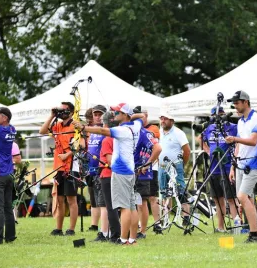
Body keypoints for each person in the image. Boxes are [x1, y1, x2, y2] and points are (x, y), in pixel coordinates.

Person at [73, 103, 144, 245]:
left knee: (124, 207)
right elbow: (141, 116)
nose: (114, 114)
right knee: (131, 206)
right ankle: (132, 238)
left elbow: (102, 130)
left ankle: (123, 240)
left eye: (117, 112)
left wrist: (83, 127)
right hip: (130, 171)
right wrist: (130, 115)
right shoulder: (135, 126)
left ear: (125, 115)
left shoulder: (122, 130)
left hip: (120, 172)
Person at [226, 90, 257, 243]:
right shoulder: (241, 121)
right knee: (244, 198)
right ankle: (253, 231)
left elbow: (253, 141)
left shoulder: (256, 119)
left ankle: (254, 234)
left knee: (242, 196)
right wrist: (232, 166)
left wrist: (235, 138)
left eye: (237, 103)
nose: (235, 106)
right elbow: (238, 144)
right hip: (240, 163)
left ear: (245, 102)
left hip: (254, 163)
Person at [40, 102, 79, 236]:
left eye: (64, 110)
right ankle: (59, 228)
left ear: (71, 111)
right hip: (59, 168)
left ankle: (71, 229)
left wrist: (67, 154)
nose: (61, 112)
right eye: (60, 110)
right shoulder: (57, 125)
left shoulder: (75, 125)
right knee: (60, 199)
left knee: (71, 199)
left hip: (71, 167)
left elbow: (81, 144)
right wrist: (52, 116)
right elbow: (42, 131)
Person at [201, 106, 238, 232]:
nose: (218, 117)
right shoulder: (209, 128)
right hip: (213, 168)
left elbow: (238, 142)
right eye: (215, 115)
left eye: (221, 114)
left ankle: (237, 225)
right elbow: (201, 140)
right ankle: (220, 227)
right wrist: (208, 152)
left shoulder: (232, 127)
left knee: (231, 198)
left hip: (227, 167)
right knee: (217, 198)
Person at [158, 113, 191, 224]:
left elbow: (187, 151)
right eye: (161, 118)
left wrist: (181, 165)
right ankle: (166, 218)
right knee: (164, 193)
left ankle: (186, 218)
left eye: (165, 119)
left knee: (180, 192)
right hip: (162, 167)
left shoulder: (178, 133)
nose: (163, 121)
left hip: (175, 167)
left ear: (172, 120)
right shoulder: (159, 133)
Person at [135, 107, 162, 235]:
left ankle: (145, 229)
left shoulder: (149, 131)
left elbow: (157, 148)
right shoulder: (131, 131)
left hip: (145, 171)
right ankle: (135, 228)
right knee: (135, 202)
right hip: (132, 171)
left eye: (142, 116)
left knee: (144, 200)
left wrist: (147, 164)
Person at [0, 107, 17, 244]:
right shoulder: (12, 130)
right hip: (8, 174)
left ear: (5, 118)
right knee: (8, 207)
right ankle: (10, 236)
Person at [86, 105, 109, 241]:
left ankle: (104, 232)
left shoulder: (105, 131)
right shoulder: (93, 133)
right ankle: (102, 229)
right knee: (97, 202)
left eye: (100, 114)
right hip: (92, 171)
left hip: (103, 171)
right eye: (95, 114)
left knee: (103, 203)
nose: (98, 116)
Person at [99, 111, 120, 243]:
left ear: (105, 124)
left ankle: (115, 235)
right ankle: (124, 233)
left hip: (108, 176)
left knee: (111, 207)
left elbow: (110, 161)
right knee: (122, 206)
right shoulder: (121, 136)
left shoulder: (107, 140)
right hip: (122, 175)